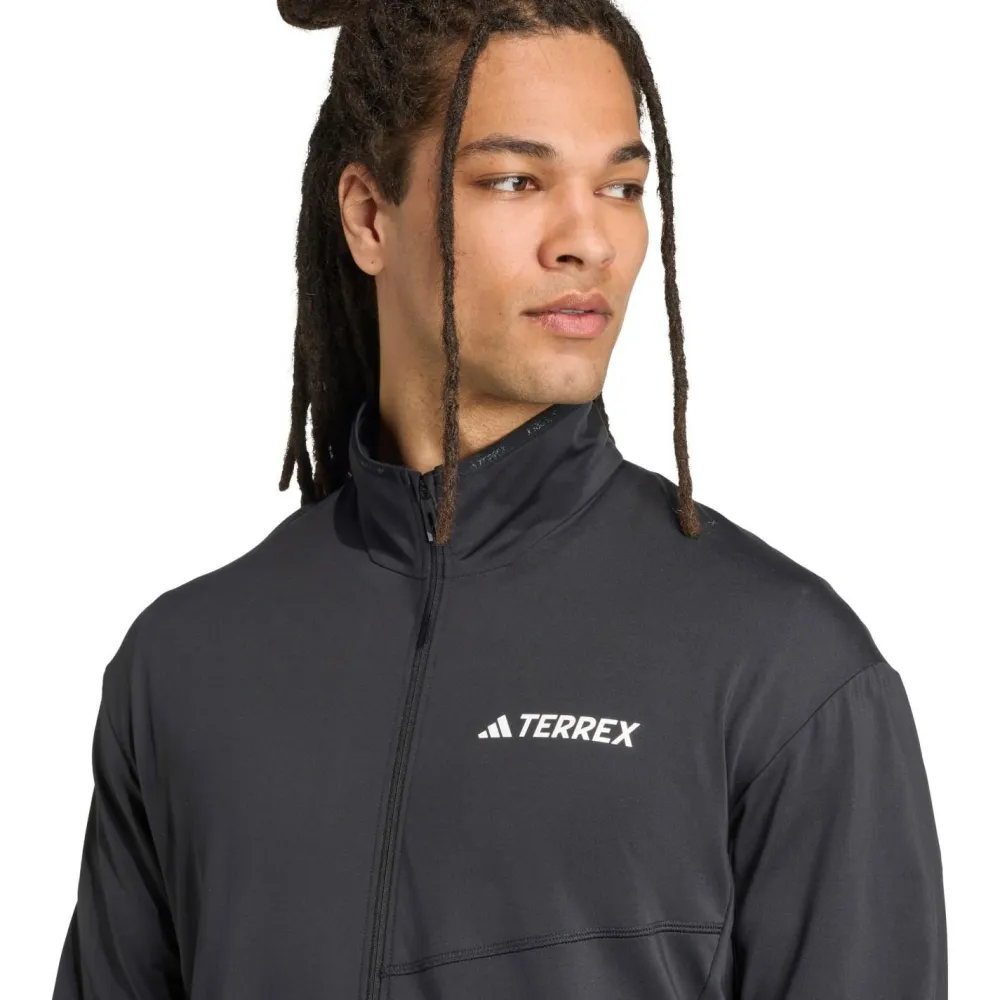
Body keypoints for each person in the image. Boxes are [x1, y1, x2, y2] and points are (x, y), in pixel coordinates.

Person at [52, 1, 948, 998]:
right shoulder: (184, 664)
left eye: (621, 187)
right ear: (369, 216)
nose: (589, 241)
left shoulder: (783, 667)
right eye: (516, 180)